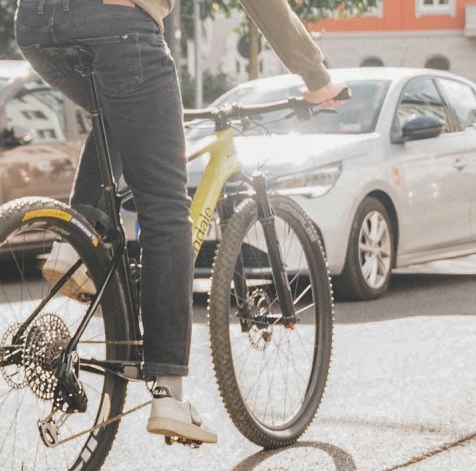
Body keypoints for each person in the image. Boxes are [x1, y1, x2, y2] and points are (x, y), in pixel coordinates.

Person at [18, 0, 343, 443]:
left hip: (37, 23)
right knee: (167, 209)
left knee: (116, 111)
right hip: (119, 24)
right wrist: (317, 77)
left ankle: (75, 250)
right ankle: (169, 394)